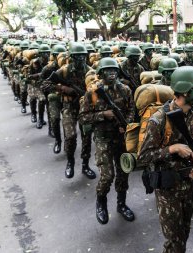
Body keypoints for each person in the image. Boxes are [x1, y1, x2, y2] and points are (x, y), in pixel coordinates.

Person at [138, 66, 193, 253]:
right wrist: (172, 148)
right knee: (174, 241)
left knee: (184, 232)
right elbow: (143, 157)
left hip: (188, 183)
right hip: (168, 188)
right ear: (185, 91)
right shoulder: (159, 120)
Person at [79, 57, 135, 224]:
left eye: (114, 70)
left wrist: (126, 124)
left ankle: (121, 204)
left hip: (120, 137)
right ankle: (101, 201)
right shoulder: (93, 92)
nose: (112, 73)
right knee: (107, 175)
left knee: (123, 172)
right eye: (108, 70)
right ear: (101, 73)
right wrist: (103, 115)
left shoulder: (125, 89)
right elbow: (83, 118)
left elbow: (131, 109)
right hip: (103, 137)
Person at [52, 42, 96, 180]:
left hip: (86, 109)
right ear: (71, 57)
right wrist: (64, 89)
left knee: (87, 138)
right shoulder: (64, 70)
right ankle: (70, 161)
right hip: (69, 108)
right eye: (77, 57)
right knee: (70, 137)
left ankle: (85, 165)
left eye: (83, 56)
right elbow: (46, 83)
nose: (81, 59)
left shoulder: (90, 71)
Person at [27, 44, 51, 129]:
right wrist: (39, 75)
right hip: (34, 85)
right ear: (40, 54)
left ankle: (40, 119)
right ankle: (34, 114)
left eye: (47, 53)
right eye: (44, 53)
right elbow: (28, 76)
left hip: (45, 85)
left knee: (42, 100)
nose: (46, 55)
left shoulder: (49, 63)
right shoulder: (34, 62)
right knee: (33, 99)